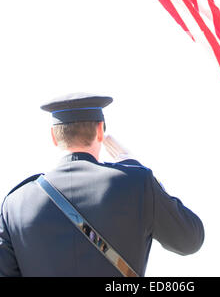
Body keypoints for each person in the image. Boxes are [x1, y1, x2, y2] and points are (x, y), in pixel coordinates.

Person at [0, 93, 204, 277]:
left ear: (54, 137)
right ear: (100, 131)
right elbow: (189, 239)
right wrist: (139, 170)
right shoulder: (135, 183)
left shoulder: (15, 203)